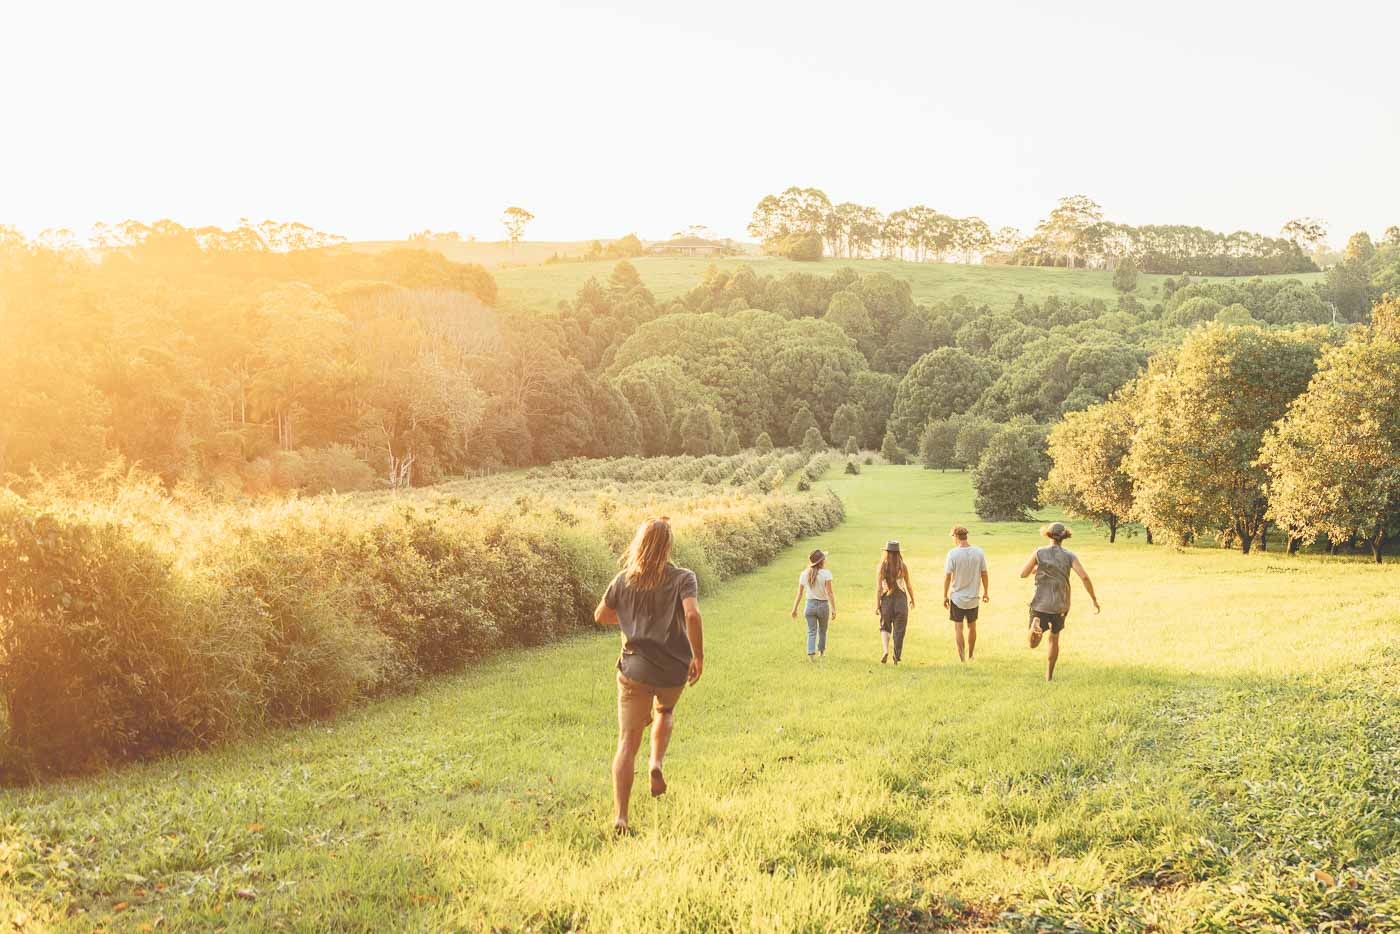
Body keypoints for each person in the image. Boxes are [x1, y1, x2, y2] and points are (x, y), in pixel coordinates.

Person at [594, 517, 704, 836]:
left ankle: (621, 818)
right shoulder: (684, 578)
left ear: (638, 544)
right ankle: (655, 762)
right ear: (668, 546)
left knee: (628, 742)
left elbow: (600, 615)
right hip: (673, 668)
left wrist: (632, 621)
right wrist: (698, 656)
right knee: (665, 712)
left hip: (634, 669)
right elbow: (693, 614)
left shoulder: (623, 580)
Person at [1019, 522, 1099, 681]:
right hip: (1060, 605)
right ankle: (1049, 676)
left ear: (1048, 535)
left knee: (1032, 644)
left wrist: (1037, 568)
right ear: (1065, 536)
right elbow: (1084, 577)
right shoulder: (1070, 556)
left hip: (1040, 602)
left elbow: (1023, 574)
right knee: (1054, 638)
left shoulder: (1039, 552)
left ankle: (1035, 627)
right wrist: (1094, 600)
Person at [942, 525, 988, 662]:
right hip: (974, 597)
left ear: (955, 536)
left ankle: (962, 658)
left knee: (958, 628)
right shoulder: (979, 552)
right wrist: (986, 592)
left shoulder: (952, 554)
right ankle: (971, 655)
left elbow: (948, 576)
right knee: (972, 627)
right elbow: (984, 574)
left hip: (957, 597)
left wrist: (944, 595)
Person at [790, 549, 837, 660]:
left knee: (811, 631)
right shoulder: (826, 574)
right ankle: (821, 652)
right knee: (822, 630)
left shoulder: (804, 574)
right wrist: (834, 609)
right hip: (823, 606)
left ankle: (811, 655)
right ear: (821, 561)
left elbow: (800, 593)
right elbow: (829, 592)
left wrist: (794, 608)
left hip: (809, 606)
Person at [874, 540, 916, 664]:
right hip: (901, 601)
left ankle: (885, 650)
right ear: (898, 553)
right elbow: (908, 585)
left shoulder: (882, 566)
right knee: (899, 630)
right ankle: (896, 657)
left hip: (887, 600)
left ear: (886, 552)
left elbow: (879, 588)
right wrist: (913, 599)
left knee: (885, 627)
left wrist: (877, 605)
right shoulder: (903, 566)